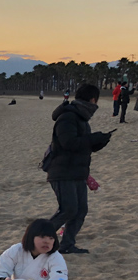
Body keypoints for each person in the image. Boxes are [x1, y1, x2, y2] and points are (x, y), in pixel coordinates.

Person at [46, 84, 113, 254]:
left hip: (78, 172)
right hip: (62, 172)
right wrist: (93, 138)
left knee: (80, 210)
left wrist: (100, 142)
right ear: (93, 100)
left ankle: (67, 245)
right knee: (68, 210)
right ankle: (36, 238)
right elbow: (68, 143)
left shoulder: (81, 118)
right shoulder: (68, 117)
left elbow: (83, 145)